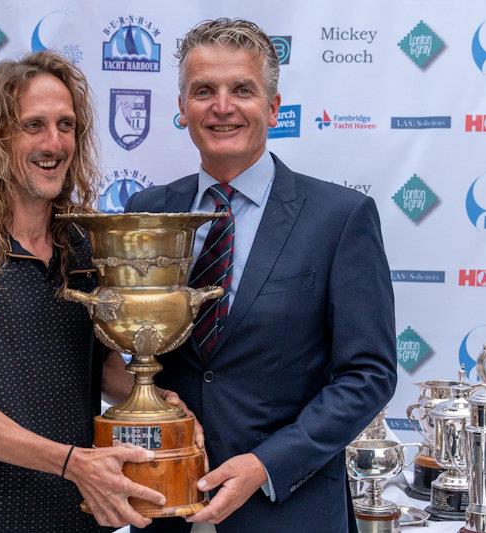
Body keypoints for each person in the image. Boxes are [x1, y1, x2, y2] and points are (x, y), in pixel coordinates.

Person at [125, 19, 397, 532]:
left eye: (242, 90)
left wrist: (266, 465)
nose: (222, 106)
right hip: (165, 505)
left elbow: (369, 374)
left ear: (273, 108)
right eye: (203, 91)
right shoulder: (147, 211)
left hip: (289, 508)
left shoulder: (340, 218)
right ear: (182, 109)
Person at [0, 51, 168, 532]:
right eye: (34, 126)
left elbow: (107, 373)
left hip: (78, 517)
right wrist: (71, 462)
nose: (54, 143)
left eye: (66, 125)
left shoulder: (87, 252)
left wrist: (167, 407)